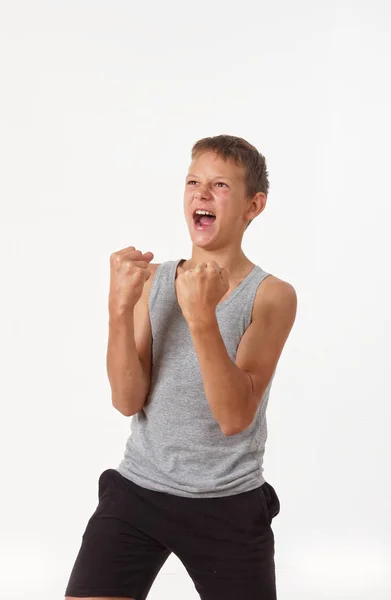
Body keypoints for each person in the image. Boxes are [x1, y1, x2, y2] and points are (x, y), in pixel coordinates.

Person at [64, 134, 297, 600]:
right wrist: (117, 307)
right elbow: (127, 400)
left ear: (255, 206)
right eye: (193, 181)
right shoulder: (155, 280)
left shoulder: (271, 295)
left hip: (226, 502)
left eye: (219, 185)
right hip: (139, 489)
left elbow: (234, 418)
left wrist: (201, 318)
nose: (201, 194)